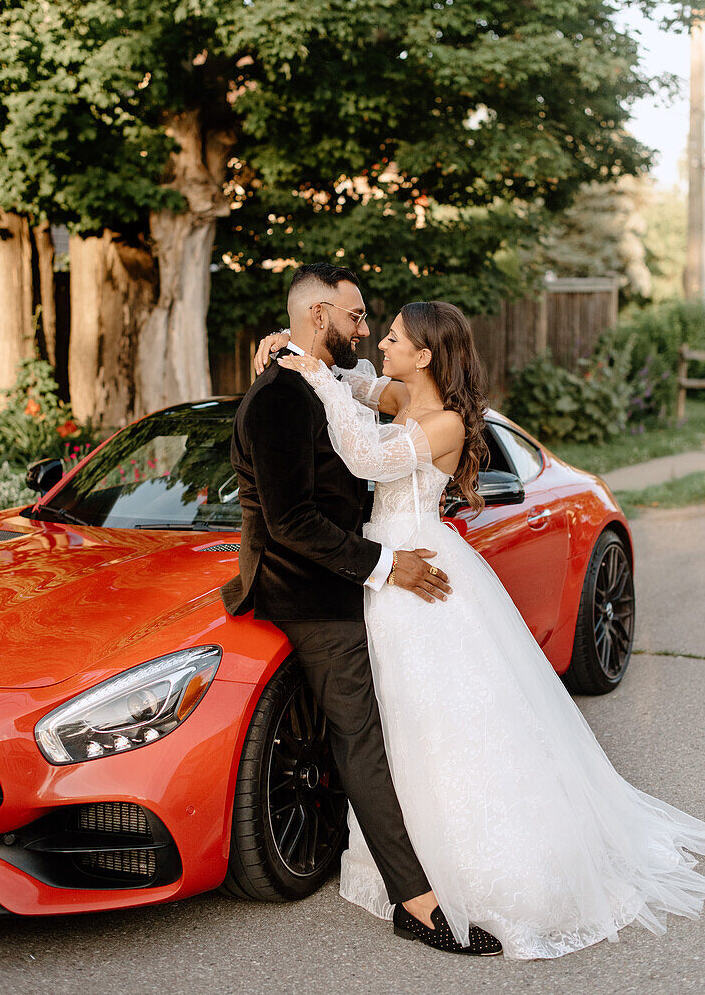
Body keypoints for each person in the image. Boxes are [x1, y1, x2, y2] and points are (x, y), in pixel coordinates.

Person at [258, 297, 705, 960]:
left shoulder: (443, 422)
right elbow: (355, 382)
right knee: (401, 721)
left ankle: (476, 873)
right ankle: (403, 865)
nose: (380, 345)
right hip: (388, 571)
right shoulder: (397, 394)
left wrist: (317, 378)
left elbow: (363, 458)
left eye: (392, 339)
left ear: (425, 354)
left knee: (446, 721)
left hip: (419, 572)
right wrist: (294, 349)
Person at [221, 264, 502, 955]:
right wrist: (381, 564)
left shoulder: (339, 386)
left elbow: (354, 433)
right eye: (357, 318)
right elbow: (289, 519)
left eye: (386, 329)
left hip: (371, 571)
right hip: (317, 587)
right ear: (320, 317)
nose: (369, 331)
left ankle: (428, 875)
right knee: (365, 738)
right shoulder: (283, 395)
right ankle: (418, 900)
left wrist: (301, 356)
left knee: (399, 728)